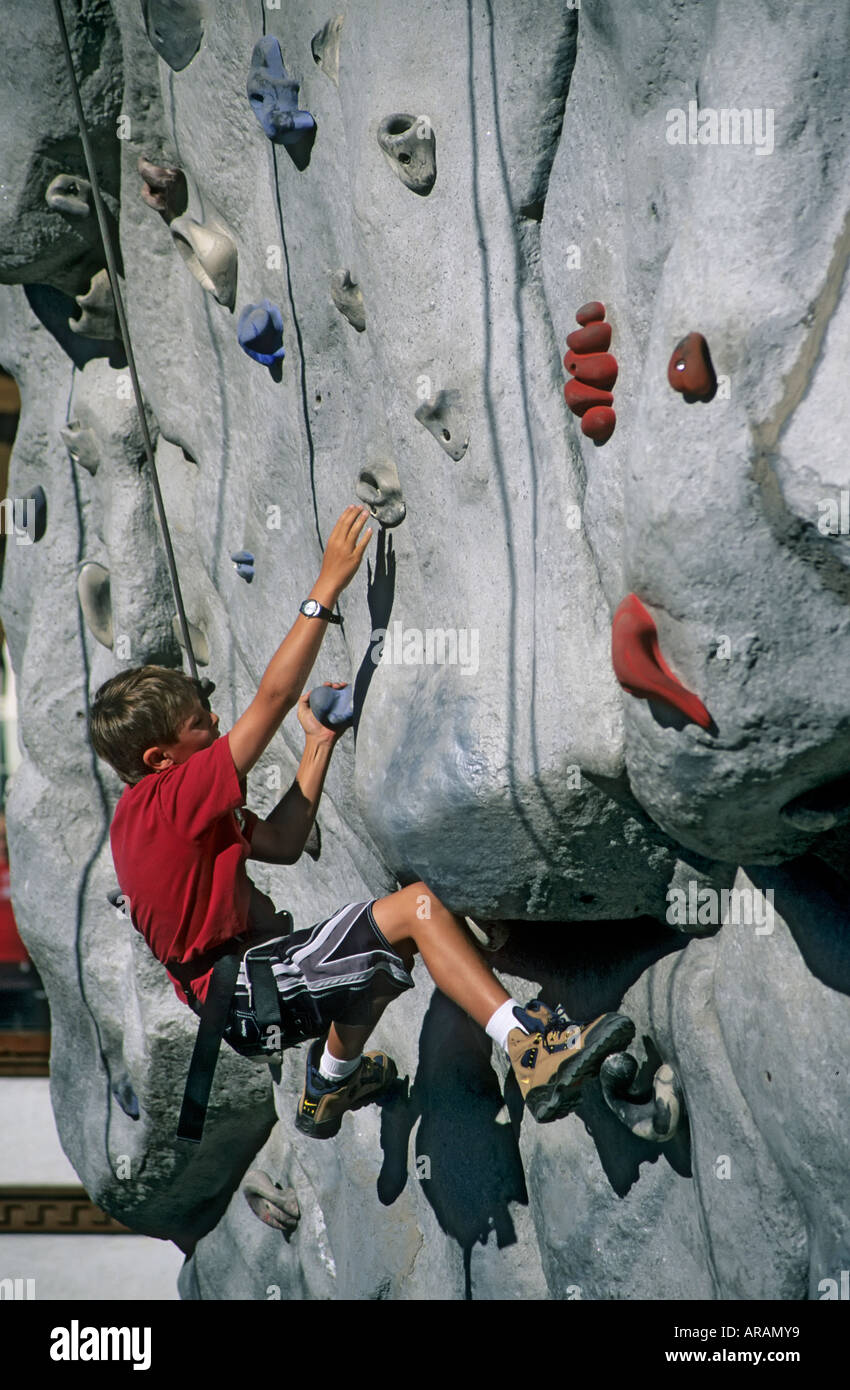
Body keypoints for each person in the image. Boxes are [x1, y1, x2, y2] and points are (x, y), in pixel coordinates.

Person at [89, 505, 634, 1140]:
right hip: (244, 989)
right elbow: (268, 700)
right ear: (159, 759)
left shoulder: (168, 818)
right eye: (200, 728)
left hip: (240, 998)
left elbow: (286, 843)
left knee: (373, 951)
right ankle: (529, 1049)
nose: (214, 731)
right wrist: (326, 587)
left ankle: (329, 1082)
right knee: (418, 910)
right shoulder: (167, 800)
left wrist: (318, 743)